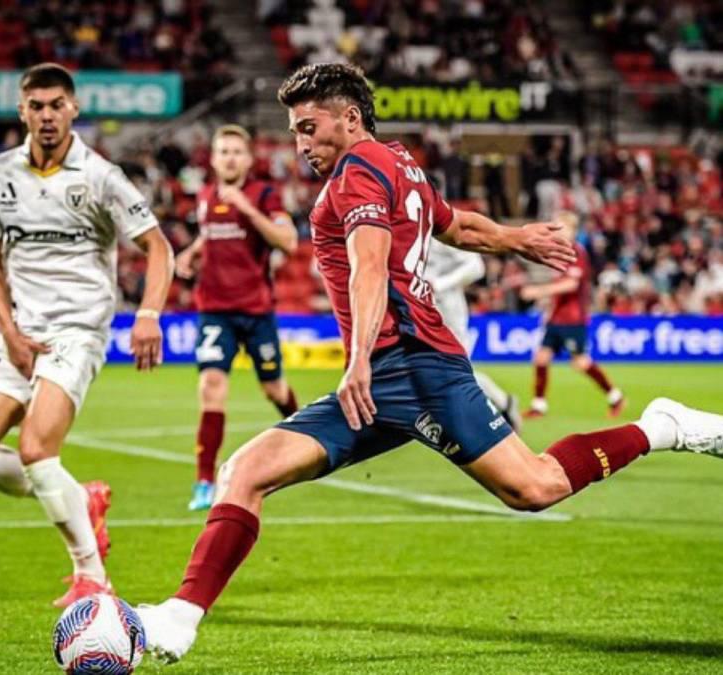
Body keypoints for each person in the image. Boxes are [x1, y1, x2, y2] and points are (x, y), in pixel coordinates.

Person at [134, 63, 723, 663]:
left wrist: (358, 355)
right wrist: (516, 237)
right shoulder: (399, 162)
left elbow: (370, 265)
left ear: (350, 117)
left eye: (309, 128)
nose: (300, 144)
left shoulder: (357, 177)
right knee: (245, 473)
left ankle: (662, 426)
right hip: (386, 373)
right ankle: (179, 619)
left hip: (418, 366)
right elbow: (456, 224)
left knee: (534, 487)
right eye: (294, 131)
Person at [0, 63, 174, 608]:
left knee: (35, 449)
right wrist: (11, 333)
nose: (47, 116)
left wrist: (149, 314)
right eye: (36, 106)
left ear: (73, 109)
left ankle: (92, 576)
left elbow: (159, 248)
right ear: (22, 110)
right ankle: (82, 499)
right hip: (22, 332)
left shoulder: (101, 177)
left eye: (56, 105)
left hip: (78, 329)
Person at [174, 125, 300, 511]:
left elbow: (288, 241)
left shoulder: (264, 194)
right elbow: (212, 233)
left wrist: (246, 209)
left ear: (247, 159)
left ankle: (311, 441)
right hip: (214, 308)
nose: (229, 157)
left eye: (235, 152)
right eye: (222, 151)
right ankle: (203, 482)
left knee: (274, 390)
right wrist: (192, 252)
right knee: (211, 386)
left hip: (255, 309)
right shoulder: (207, 195)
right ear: (212, 158)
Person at [520, 210, 624, 418]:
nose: (558, 232)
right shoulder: (557, 252)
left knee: (580, 362)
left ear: (574, 231)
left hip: (573, 319)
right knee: (541, 358)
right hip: (556, 317)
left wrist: (538, 291)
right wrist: (548, 305)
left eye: (563, 228)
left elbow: (571, 284)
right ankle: (539, 405)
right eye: (556, 228)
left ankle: (615, 396)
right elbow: (560, 286)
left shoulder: (577, 252)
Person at [423, 237, 521, 430]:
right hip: (417, 307)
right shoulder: (405, 228)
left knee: (458, 370)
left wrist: (440, 284)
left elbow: (476, 267)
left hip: (447, 308)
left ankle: (501, 405)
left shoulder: (439, 231)